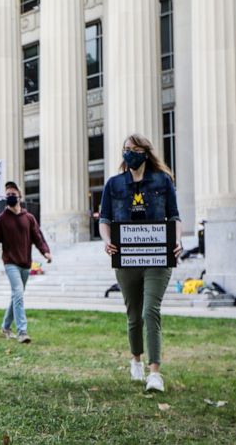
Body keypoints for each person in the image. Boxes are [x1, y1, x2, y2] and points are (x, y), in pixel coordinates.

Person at [99, 134, 182, 393]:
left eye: (134, 149)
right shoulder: (113, 184)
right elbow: (104, 218)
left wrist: (177, 241)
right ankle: (135, 359)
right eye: (125, 149)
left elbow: (174, 216)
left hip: (157, 257)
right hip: (126, 258)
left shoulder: (162, 181)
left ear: (145, 152)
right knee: (134, 315)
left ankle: (154, 372)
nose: (129, 153)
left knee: (150, 311)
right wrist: (107, 240)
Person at [0, 181, 52, 344]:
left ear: (19, 196)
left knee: (16, 296)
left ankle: (5, 327)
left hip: (26, 263)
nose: (10, 197)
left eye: (13, 194)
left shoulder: (29, 218)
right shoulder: (1, 219)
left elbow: (38, 237)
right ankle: (22, 332)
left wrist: (46, 252)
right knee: (19, 294)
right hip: (10, 263)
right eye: (7, 195)